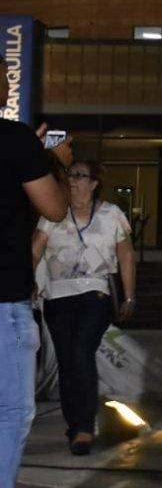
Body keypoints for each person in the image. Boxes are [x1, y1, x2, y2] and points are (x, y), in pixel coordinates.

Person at [31, 158, 135, 456]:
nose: (73, 180)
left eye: (80, 175)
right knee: (66, 360)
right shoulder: (53, 212)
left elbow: (126, 255)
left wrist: (129, 296)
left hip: (95, 293)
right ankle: (74, 425)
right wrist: (27, 280)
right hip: (58, 296)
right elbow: (36, 248)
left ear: (93, 183)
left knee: (81, 352)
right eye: (70, 174)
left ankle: (85, 427)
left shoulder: (111, 214)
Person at [0, 121, 70, 488]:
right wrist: (51, 162)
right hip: (4, 299)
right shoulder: (13, 139)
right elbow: (55, 208)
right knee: (11, 411)